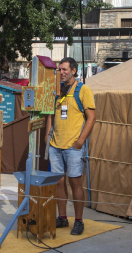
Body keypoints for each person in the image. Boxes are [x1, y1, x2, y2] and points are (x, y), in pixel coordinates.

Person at [45, 57, 96, 235]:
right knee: (59, 183)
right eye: (60, 70)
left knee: (75, 183)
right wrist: (47, 135)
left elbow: (92, 117)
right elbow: (51, 114)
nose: (62, 72)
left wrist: (81, 141)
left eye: (65, 69)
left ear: (74, 71)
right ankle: (63, 218)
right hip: (56, 145)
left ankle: (79, 221)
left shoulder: (83, 90)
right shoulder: (57, 91)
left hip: (73, 146)